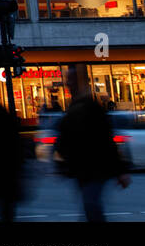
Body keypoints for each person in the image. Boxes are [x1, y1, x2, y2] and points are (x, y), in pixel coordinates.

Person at [55, 84, 131, 221]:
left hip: (91, 167)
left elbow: (106, 139)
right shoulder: (82, 109)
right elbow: (107, 140)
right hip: (89, 166)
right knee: (90, 204)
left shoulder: (82, 110)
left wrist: (61, 163)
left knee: (90, 204)